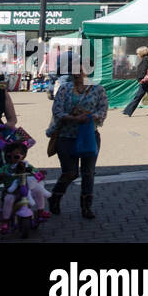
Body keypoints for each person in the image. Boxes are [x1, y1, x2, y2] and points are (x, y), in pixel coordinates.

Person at [48, 55, 107, 219]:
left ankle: (86, 207)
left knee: (88, 172)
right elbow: (57, 111)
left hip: (89, 136)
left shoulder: (98, 89)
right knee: (70, 172)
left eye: (79, 69)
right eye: (74, 69)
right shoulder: (64, 88)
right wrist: (73, 118)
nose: (76, 73)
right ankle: (55, 197)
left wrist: (89, 116)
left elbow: (102, 111)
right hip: (66, 136)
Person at [122, 46, 148, 117]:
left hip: (145, 81)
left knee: (140, 96)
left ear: (142, 53)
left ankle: (128, 111)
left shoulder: (145, 60)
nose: (137, 55)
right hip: (147, 81)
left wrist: (140, 79)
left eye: (138, 53)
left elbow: (143, 70)